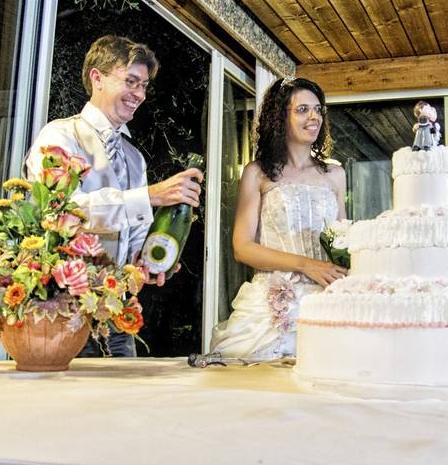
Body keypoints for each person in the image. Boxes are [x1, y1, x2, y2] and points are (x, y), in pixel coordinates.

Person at [24, 35, 203, 357]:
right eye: (131, 81)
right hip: (59, 308)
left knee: (122, 404)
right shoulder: (61, 135)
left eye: (144, 85)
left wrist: (147, 261)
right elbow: (62, 212)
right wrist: (149, 196)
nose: (139, 94)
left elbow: (132, 238)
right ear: (97, 78)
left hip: (117, 309)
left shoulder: (134, 157)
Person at [209, 76, 347, 359]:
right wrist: (306, 265)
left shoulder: (335, 174)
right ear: (280, 117)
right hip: (272, 303)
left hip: (327, 301)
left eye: (318, 109)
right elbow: (242, 247)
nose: (314, 117)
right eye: (302, 110)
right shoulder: (257, 173)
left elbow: (343, 242)